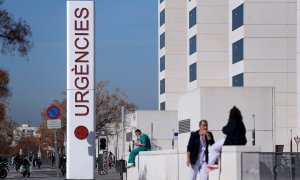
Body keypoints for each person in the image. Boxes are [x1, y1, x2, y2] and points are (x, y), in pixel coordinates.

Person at [207, 106, 247, 171]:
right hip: (241, 142)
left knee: (213, 148)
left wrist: (223, 128)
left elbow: (226, 130)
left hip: (232, 141)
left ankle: (211, 164)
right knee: (219, 148)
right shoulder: (241, 123)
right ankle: (218, 161)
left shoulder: (233, 121)